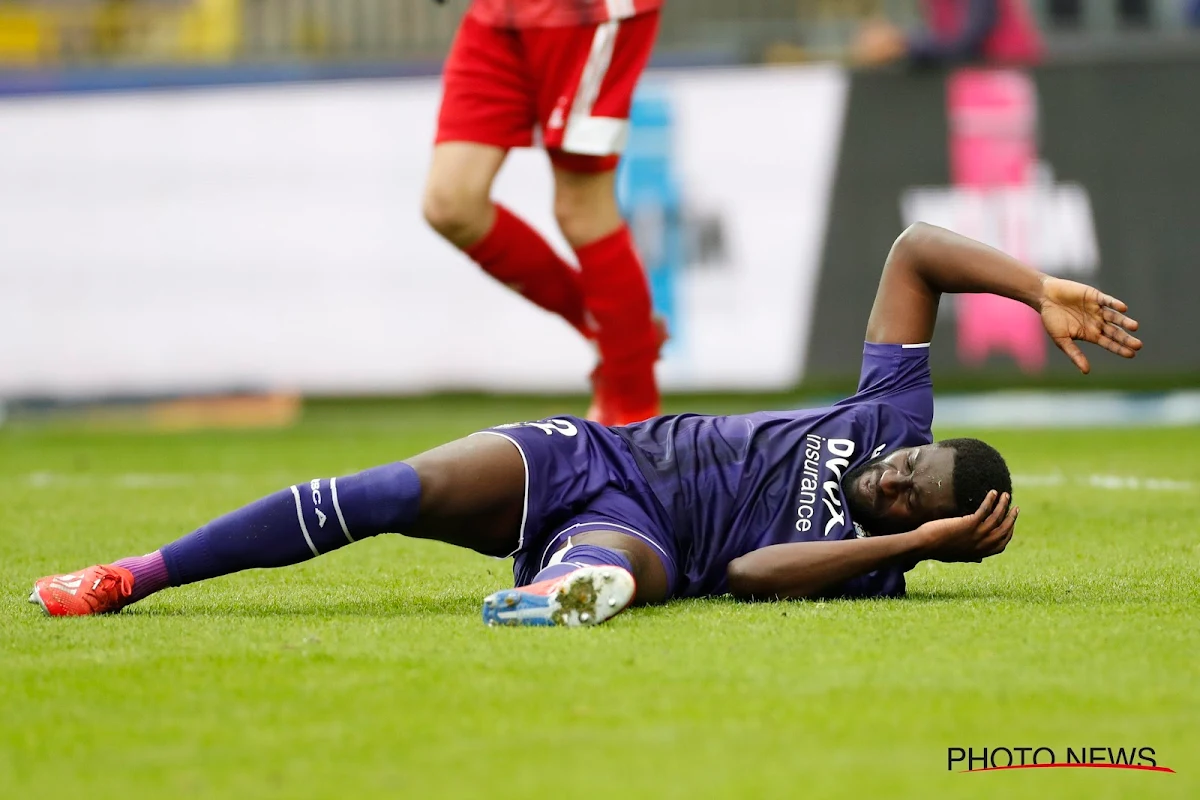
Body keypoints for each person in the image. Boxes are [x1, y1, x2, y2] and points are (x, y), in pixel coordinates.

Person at [30, 224, 1142, 626]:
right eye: (907, 459)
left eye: (910, 492)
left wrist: (907, 550)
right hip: (601, 451)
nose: (892, 475)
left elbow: (750, 574)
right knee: (389, 492)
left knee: (613, 572)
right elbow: (913, 251)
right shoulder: (888, 408)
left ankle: (566, 588)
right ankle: (137, 574)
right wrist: (1033, 282)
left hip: (653, 537)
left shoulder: (872, 559)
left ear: (929, 525)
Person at [422, 0, 666, 426]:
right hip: (500, 13)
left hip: (585, 13)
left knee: (580, 207)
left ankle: (634, 420)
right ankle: (619, 332)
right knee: (450, 203)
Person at [852, 0, 1043, 68]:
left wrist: (902, 44)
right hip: (973, 88)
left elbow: (968, 40)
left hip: (1011, 77)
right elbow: (941, 35)